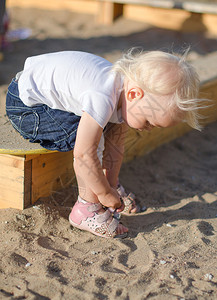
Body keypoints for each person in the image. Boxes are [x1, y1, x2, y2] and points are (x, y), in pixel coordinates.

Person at [6, 49, 202, 238]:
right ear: (135, 94)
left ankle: (107, 188)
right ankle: (85, 209)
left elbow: (115, 146)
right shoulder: (103, 96)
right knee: (91, 138)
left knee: (108, 129)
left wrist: (110, 187)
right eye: (149, 122)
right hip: (27, 107)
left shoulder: (124, 93)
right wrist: (102, 193)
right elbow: (84, 155)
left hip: (40, 94)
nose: (149, 129)